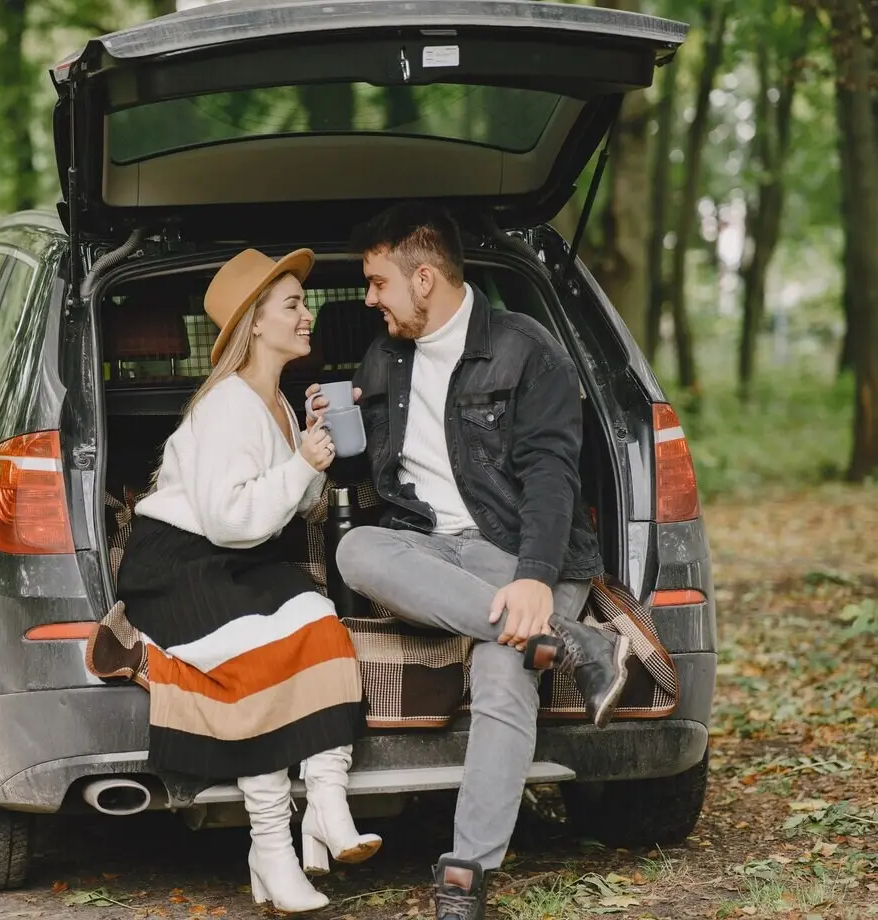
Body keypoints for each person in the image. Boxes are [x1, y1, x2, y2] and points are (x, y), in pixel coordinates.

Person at [308, 203, 630, 920]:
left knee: (500, 663)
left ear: (424, 278)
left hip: (521, 550)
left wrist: (534, 582)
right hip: (428, 549)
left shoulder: (527, 350)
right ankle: (574, 644)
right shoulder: (384, 355)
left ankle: (466, 876)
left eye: (376, 283)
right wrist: (331, 432)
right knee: (358, 546)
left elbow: (553, 476)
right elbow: (372, 472)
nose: (368, 300)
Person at [117, 248, 381, 914]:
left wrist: (312, 446)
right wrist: (299, 465)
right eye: (292, 304)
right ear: (254, 324)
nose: (306, 315)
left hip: (232, 561)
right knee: (259, 662)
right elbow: (233, 519)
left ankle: (325, 797)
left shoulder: (282, 404)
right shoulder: (229, 406)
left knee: (321, 624)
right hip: (174, 567)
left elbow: (297, 507)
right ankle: (271, 846)